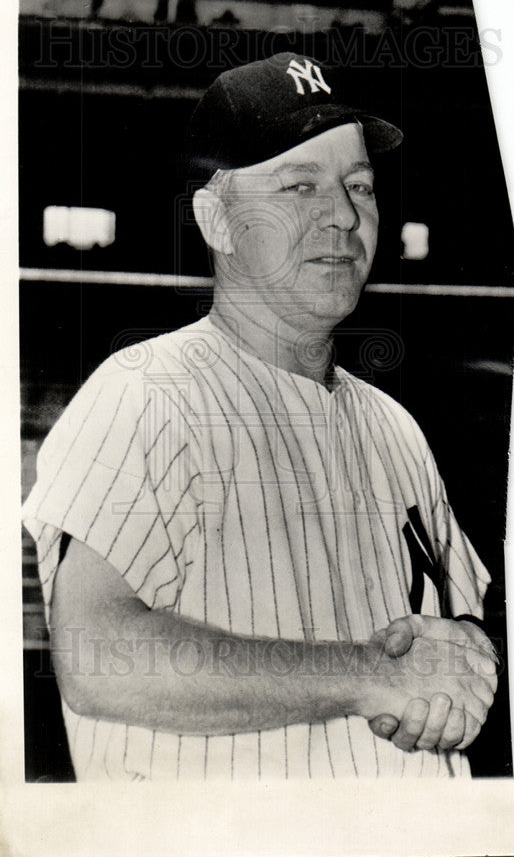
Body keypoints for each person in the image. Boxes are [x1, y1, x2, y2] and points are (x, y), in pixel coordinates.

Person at [23, 53, 498, 780]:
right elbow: (96, 656)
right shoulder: (149, 393)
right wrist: (368, 674)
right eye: (299, 185)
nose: (343, 214)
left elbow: (458, 634)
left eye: (359, 186)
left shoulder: (397, 429)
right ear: (217, 219)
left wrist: (468, 664)